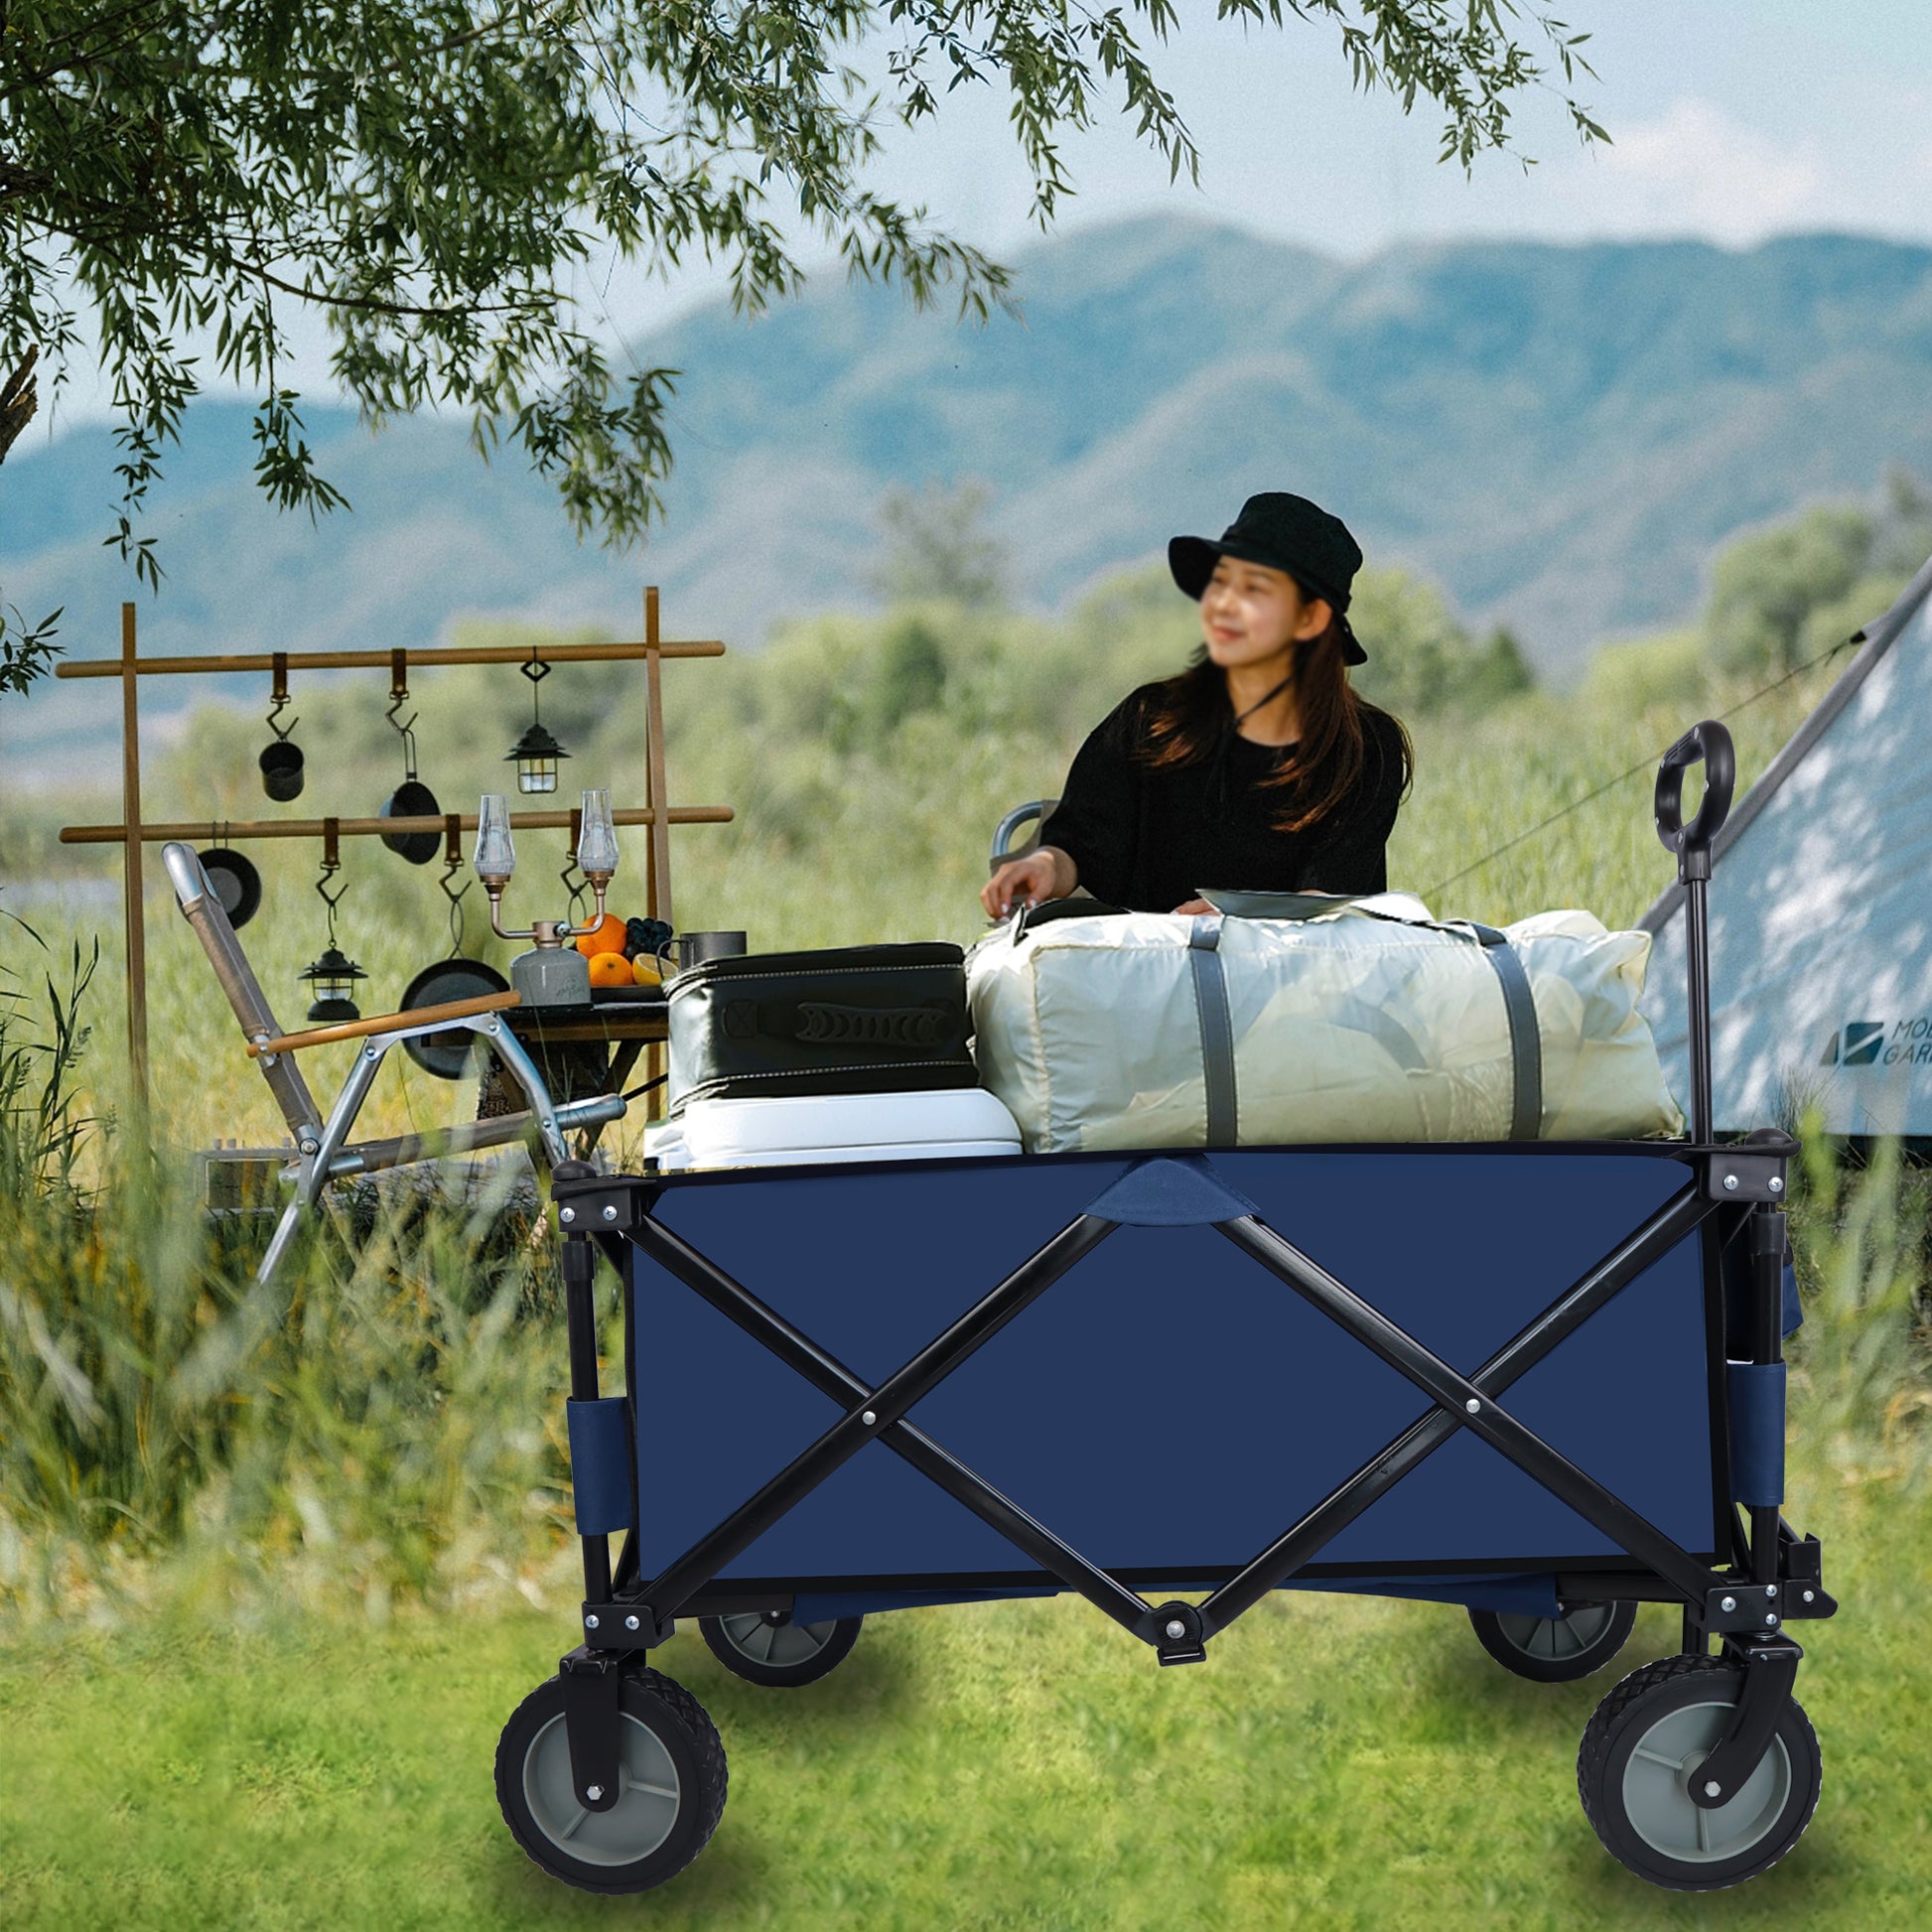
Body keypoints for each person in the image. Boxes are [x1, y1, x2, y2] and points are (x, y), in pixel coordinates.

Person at [981, 491, 1413, 919]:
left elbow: (1328, 900)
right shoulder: (1151, 720)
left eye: (1253, 590)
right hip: (1151, 974)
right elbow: (1078, 844)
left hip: (1294, 977)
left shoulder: (1366, 746)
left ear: (1310, 619)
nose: (1223, 605)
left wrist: (1241, 922)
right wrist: (1042, 865)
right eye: (1220, 584)